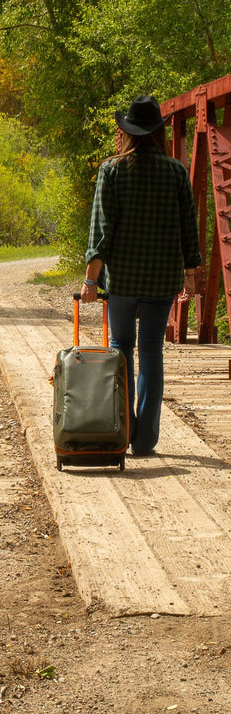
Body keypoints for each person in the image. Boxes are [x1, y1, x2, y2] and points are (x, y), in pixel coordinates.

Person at [79, 95, 203, 456]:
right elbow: (188, 230)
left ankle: (123, 428)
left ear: (128, 132)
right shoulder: (177, 171)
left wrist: (90, 280)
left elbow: (101, 231)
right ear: (159, 132)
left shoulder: (113, 170)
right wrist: (191, 273)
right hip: (161, 279)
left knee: (121, 349)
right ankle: (145, 440)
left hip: (123, 280)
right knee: (151, 352)